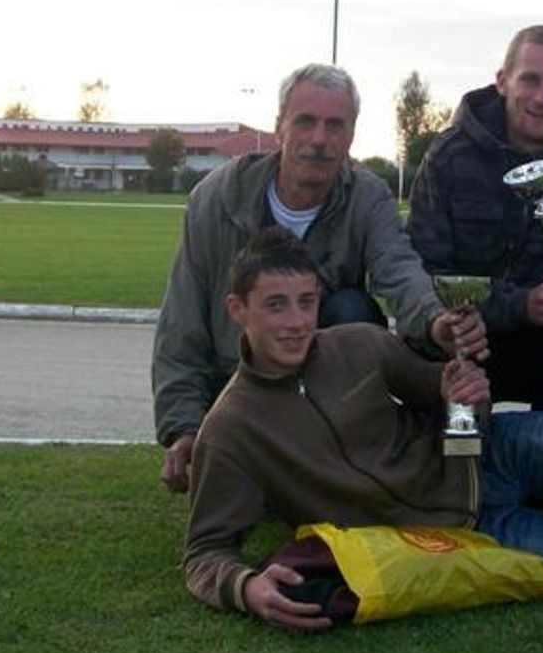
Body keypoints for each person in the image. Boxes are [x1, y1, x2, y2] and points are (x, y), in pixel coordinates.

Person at [184, 227, 543, 629]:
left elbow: (443, 393)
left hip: (496, 452)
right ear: (238, 309)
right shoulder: (231, 429)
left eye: (306, 302)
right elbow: (206, 551)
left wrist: (461, 391)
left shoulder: (358, 343)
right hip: (458, 529)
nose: (298, 322)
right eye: (276, 306)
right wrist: (247, 587)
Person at [153, 63, 484, 494]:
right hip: (239, 382)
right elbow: (182, 323)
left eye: (335, 126)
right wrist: (185, 428)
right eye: (305, 122)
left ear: (351, 135)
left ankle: (371, 461)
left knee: (352, 309)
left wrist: (435, 320)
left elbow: (399, 269)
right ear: (279, 128)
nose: (319, 140)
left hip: (324, 386)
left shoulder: (368, 196)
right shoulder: (215, 199)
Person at [407, 25, 543, 411]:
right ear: (503, 81)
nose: (542, 97)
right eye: (530, 80)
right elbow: (425, 267)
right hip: (465, 335)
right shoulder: (448, 156)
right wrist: (521, 304)